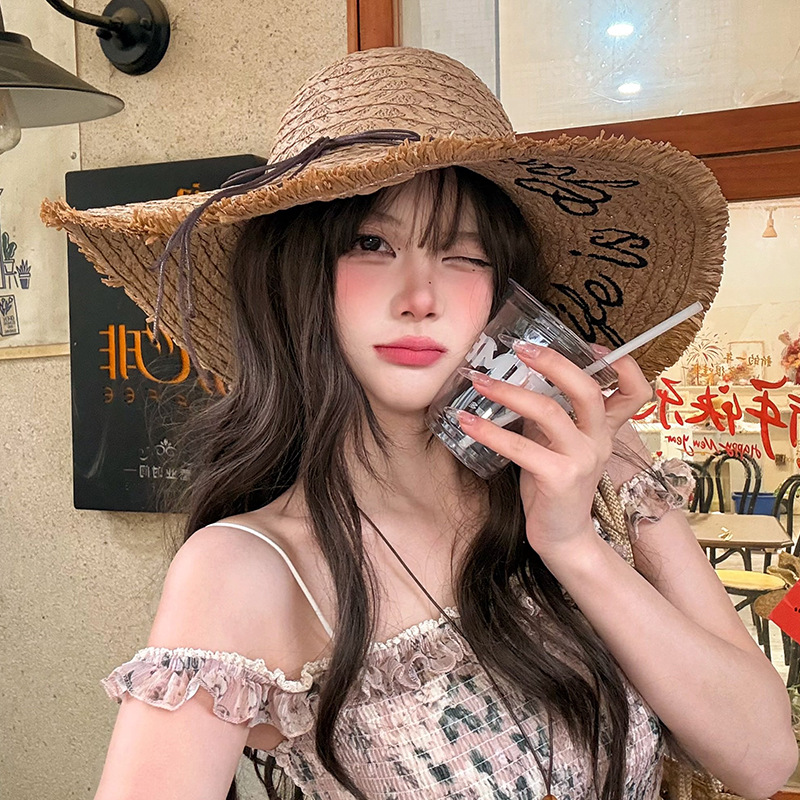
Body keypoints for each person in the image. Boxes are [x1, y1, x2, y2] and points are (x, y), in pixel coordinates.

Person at [42, 46, 796, 800]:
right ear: (296, 274)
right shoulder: (249, 570)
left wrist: (575, 547)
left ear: (505, 290)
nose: (421, 298)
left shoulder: (593, 465)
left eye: (464, 255)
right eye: (371, 244)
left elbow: (762, 759)